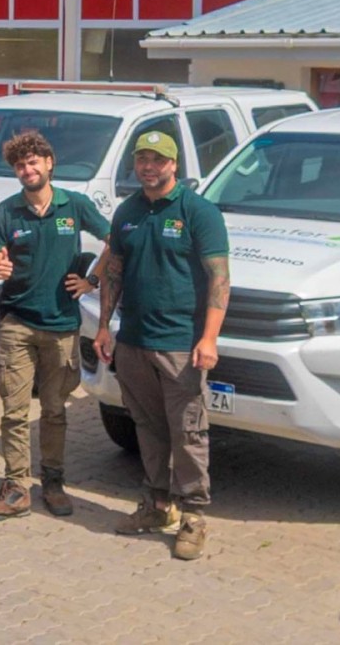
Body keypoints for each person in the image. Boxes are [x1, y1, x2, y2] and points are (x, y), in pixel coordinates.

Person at [92, 131, 230, 561]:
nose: (149, 166)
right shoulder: (128, 212)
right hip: (133, 341)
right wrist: (104, 328)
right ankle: (156, 506)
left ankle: (193, 517)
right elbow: (113, 270)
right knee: (148, 430)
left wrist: (209, 337)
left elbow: (219, 278)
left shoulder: (199, 212)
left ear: (174, 165)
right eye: (142, 159)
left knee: (188, 433)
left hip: (179, 346)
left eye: (158, 159)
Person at [0, 131, 109, 522]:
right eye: (20, 164)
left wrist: (92, 281)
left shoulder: (75, 205)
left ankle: (52, 483)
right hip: (17, 323)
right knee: (14, 412)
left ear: (49, 163)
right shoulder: (6, 212)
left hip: (63, 326)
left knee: (53, 411)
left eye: (34, 162)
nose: (27, 169)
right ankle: (17, 487)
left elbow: (114, 241)